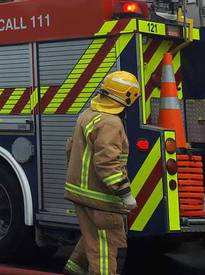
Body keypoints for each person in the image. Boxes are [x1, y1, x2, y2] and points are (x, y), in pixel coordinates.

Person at [63, 71, 141, 275]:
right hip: (101, 198)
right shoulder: (111, 123)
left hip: (82, 193)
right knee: (107, 248)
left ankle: (73, 269)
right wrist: (125, 193)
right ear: (128, 98)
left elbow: (70, 150)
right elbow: (107, 163)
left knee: (93, 237)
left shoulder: (86, 116)